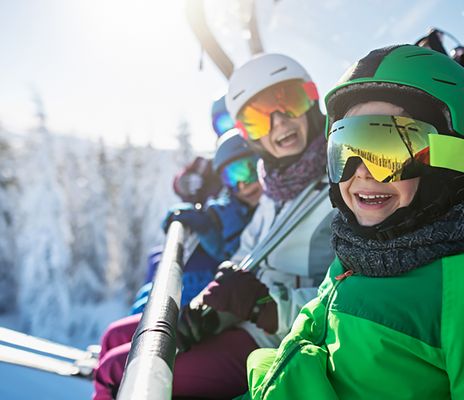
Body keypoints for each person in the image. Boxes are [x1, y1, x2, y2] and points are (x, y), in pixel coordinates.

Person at [241, 44, 464, 400]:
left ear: (450, 157)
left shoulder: (454, 293)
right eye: (345, 149)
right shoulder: (353, 254)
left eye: (388, 149)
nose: (360, 172)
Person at [172, 53, 335, 399]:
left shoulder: (341, 182)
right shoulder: (275, 184)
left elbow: (348, 290)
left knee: (168, 379)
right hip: (253, 322)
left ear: (310, 100)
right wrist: (219, 303)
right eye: (258, 119)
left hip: (287, 335)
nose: (278, 123)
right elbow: (247, 252)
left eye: (288, 102)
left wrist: (266, 306)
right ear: (248, 134)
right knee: (132, 352)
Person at [92, 130, 262, 400]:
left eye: (249, 170)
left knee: (117, 368)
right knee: (114, 336)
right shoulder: (235, 203)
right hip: (219, 304)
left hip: (235, 313)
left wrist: (209, 228)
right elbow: (207, 201)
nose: (243, 184)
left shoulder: (267, 205)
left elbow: (239, 250)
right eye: (233, 176)